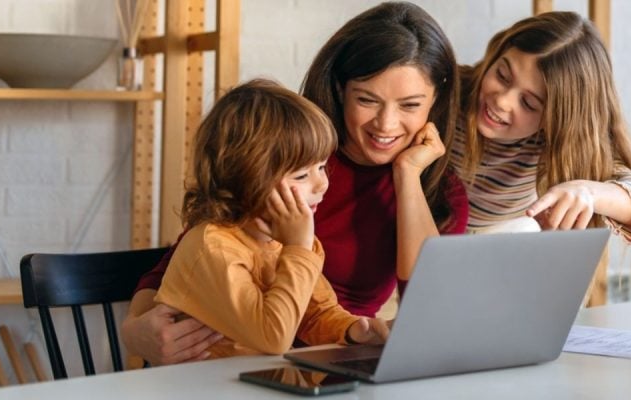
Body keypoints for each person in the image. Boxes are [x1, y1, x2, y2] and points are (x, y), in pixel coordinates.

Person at [121, 1, 468, 365]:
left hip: (329, 361)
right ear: (339, 88)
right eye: (367, 100)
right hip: (233, 367)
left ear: (437, 99)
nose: (385, 124)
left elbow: (428, 311)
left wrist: (407, 177)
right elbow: (191, 255)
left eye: (410, 105)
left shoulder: (439, 194)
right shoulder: (291, 155)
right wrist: (133, 329)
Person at [152, 79, 388, 358]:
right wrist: (298, 249)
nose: (322, 184)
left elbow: (314, 315)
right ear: (247, 177)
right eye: (302, 175)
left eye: (322, 167)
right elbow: (272, 338)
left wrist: (352, 330)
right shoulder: (214, 247)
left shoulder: (279, 240)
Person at [450, 11, 631, 290]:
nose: (502, 101)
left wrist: (588, 192)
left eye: (529, 103)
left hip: (492, 272)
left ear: (555, 120)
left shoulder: (551, 145)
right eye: (502, 75)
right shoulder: (445, 95)